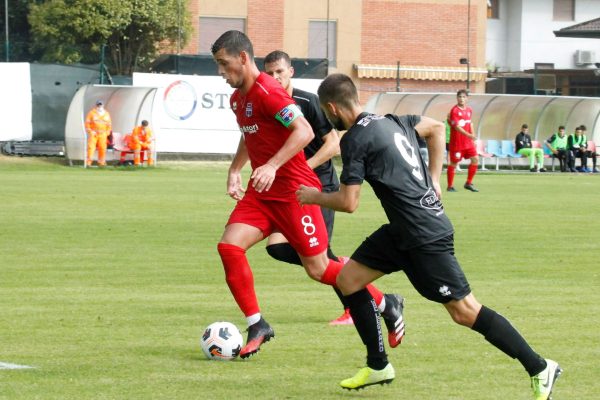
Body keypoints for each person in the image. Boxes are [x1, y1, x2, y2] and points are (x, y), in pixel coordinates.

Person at [296, 73, 561, 399]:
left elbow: (349, 202)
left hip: (424, 234)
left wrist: (313, 196)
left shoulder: (354, 139)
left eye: (326, 112)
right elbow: (436, 128)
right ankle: (378, 365)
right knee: (348, 280)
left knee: (464, 312)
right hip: (402, 230)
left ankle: (539, 366)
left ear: (332, 107)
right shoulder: (394, 120)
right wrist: (434, 179)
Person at [211, 30, 404, 359]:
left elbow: (304, 131)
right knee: (229, 246)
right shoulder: (237, 99)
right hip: (262, 195)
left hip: (293, 193)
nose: (221, 72)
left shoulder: (269, 92)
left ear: (243, 58)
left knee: (318, 269)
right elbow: (248, 134)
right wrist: (234, 170)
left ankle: (387, 302)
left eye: (224, 64)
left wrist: (271, 165)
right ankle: (258, 324)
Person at [262, 50, 352, 326]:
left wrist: (306, 167)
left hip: (320, 186)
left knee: (321, 255)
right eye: (270, 72)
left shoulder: (307, 101)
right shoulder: (267, 101)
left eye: (280, 71)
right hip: (292, 188)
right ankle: (345, 267)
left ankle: (354, 308)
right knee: (276, 247)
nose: (275, 77)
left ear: (291, 72)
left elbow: (333, 144)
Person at [447, 89, 478, 192]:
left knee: (475, 159)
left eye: (464, 97)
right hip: (457, 143)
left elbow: (470, 123)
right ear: (457, 98)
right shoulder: (454, 110)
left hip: (468, 143)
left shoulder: (469, 110)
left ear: (467, 98)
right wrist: (469, 135)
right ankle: (450, 186)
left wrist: (472, 135)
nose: (461, 99)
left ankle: (468, 183)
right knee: (454, 163)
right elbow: (456, 127)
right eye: (460, 97)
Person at [85, 100, 112, 167]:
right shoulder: (91, 113)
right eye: (98, 105)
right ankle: (88, 163)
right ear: (96, 105)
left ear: (103, 105)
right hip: (94, 133)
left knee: (102, 148)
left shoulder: (106, 114)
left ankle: (101, 163)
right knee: (91, 148)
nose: (99, 106)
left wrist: (107, 133)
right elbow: (87, 124)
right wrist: (90, 131)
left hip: (103, 134)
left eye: (101, 105)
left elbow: (109, 125)